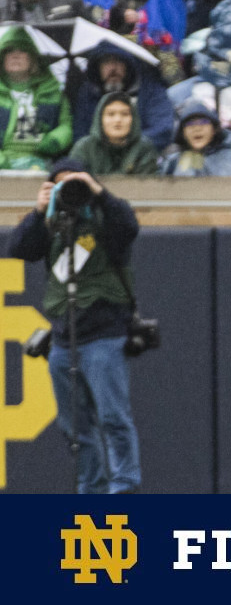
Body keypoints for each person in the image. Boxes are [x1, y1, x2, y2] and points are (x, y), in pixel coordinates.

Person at [5, 158, 142, 494]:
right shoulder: (52, 226)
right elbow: (18, 249)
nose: (69, 190)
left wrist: (97, 192)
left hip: (104, 336)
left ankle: (124, 488)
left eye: (75, 182)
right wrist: (39, 211)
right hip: (64, 340)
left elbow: (129, 226)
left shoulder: (105, 221)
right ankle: (91, 489)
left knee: (113, 419)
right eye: (61, 183)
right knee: (75, 428)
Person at [73, 43, 176, 151]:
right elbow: (80, 136)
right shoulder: (87, 95)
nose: (113, 68)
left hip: (142, 156)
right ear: (97, 68)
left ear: (127, 65)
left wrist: (124, 146)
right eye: (106, 62)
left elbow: (162, 130)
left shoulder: (150, 90)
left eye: (118, 61)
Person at [0, 27, 73, 171]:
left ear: (33, 58)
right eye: (9, 51)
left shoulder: (53, 91)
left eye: (22, 50)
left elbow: (67, 124)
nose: (15, 55)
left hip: (44, 163)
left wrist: (55, 140)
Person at [69, 92, 160, 175]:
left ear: (133, 119)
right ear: (100, 119)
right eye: (111, 114)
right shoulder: (84, 148)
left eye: (125, 114)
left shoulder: (144, 148)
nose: (118, 120)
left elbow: (149, 187)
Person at [159, 100, 231, 175]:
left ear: (214, 130)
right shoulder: (173, 162)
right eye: (190, 124)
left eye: (203, 122)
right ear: (182, 133)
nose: (197, 129)